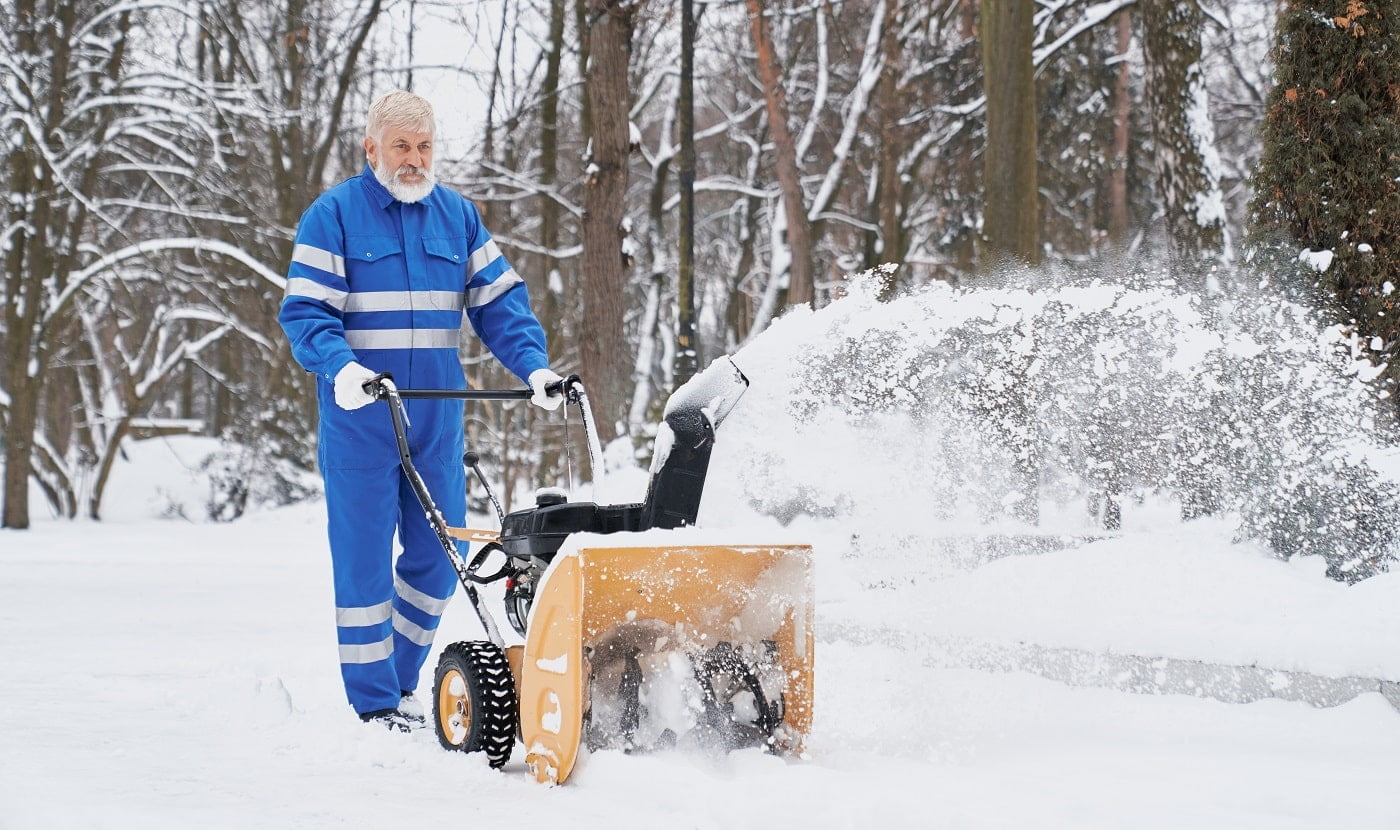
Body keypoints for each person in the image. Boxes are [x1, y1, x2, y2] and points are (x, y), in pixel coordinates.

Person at [278, 90, 564, 731]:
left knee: (440, 557)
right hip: (360, 419)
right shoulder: (334, 217)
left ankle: (402, 677)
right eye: (401, 147)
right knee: (363, 563)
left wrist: (534, 368)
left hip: (435, 417)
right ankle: (374, 703)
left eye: (425, 146)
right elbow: (306, 313)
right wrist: (341, 368)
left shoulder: (458, 218)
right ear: (371, 149)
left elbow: (499, 304)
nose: (414, 159)